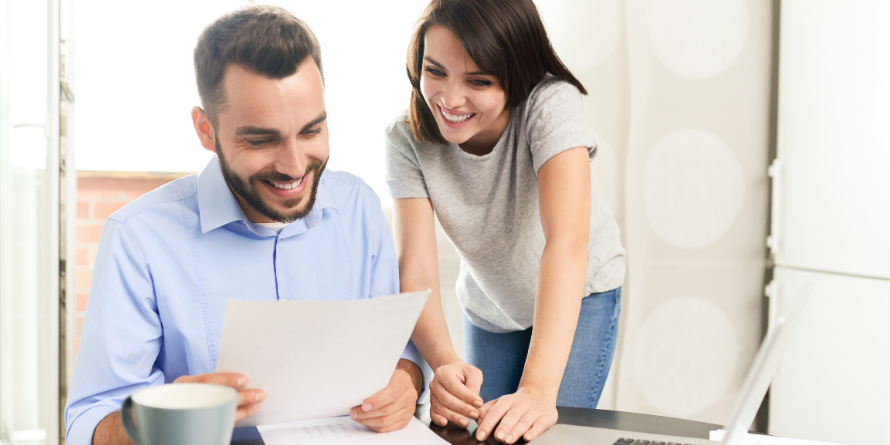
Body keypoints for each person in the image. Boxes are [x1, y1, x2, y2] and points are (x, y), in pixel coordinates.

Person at [65, 6, 430, 444]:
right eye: (261, 140)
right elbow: (89, 421)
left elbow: (398, 352)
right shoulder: (139, 239)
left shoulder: (358, 207)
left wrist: (406, 381)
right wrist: (157, 420)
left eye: (311, 131)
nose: (295, 166)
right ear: (206, 130)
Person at [385, 0, 626, 443]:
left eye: (478, 80)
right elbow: (415, 270)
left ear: (516, 74)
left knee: (543, 433)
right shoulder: (406, 139)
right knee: (481, 434)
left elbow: (567, 244)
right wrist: (443, 362)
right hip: (491, 306)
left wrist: (536, 389)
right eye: (435, 71)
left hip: (582, 291)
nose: (449, 99)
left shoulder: (551, 104)